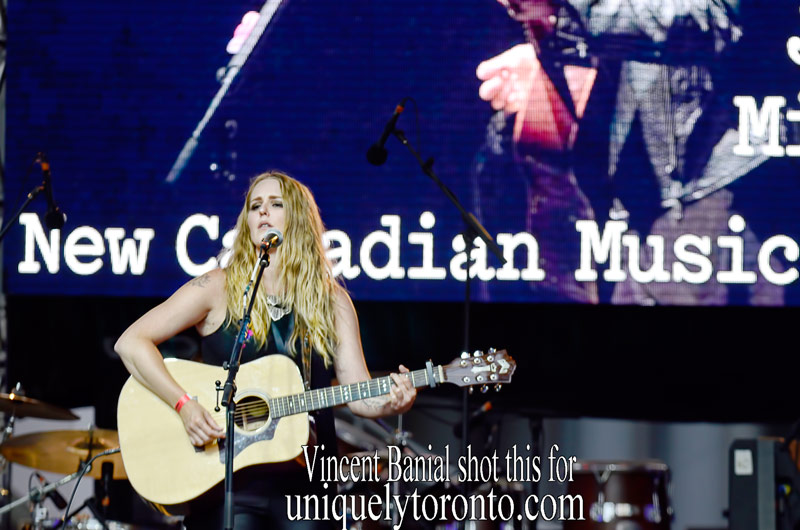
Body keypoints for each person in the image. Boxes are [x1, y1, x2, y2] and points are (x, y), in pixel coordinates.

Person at [115, 170, 417, 529]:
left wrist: (394, 402)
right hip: (228, 481)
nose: (262, 212)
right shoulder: (218, 287)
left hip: (307, 485)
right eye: (255, 205)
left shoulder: (332, 301)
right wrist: (184, 405)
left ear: (298, 218)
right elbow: (131, 342)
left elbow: (359, 394)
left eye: (275, 204)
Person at [472, 0, 786, 305]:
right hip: (630, 184)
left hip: (722, 181)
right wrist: (557, 50)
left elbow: (715, 18)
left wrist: (570, 12)